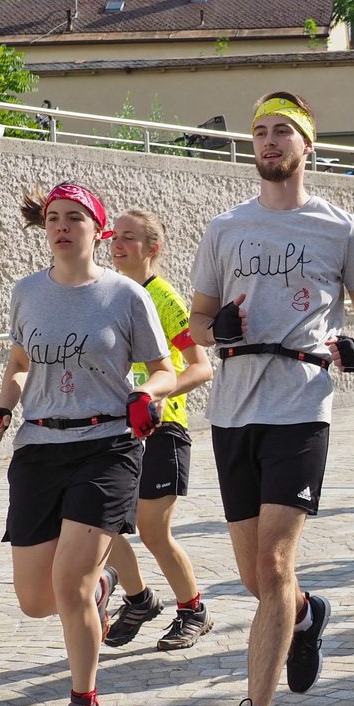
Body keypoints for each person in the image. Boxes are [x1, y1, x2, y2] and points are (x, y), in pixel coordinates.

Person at [189, 91, 354, 706]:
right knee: (254, 576)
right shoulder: (225, 228)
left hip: (302, 402)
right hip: (233, 407)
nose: (270, 142)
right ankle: (304, 615)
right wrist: (221, 331)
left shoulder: (339, 226)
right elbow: (199, 320)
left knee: (272, 563)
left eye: (283, 133)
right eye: (261, 132)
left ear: (308, 146)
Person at [0, 182, 175, 706]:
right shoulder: (26, 293)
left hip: (108, 447)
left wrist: (149, 395)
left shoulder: (125, 296)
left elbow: (164, 368)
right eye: (53, 218)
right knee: (36, 601)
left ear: (99, 231)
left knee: (68, 586)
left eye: (74, 218)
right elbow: (19, 360)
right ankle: (104, 586)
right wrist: (3, 404)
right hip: (39, 448)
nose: (62, 227)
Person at [101, 208, 215, 650]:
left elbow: (201, 367)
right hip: (116, 432)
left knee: (151, 530)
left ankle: (193, 610)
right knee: (100, 526)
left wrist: (154, 394)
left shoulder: (163, 298)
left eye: (129, 237)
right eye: (115, 236)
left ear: (153, 248)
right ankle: (140, 600)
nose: (118, 244)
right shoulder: (109, 295)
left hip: (163, 429)